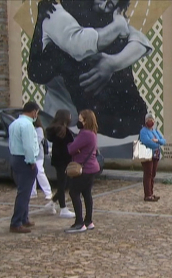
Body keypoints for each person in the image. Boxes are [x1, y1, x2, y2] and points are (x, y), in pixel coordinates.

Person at [28, 0, 152, 138]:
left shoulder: (97, 16)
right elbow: (79, 45)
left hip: (99, 122)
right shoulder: (54, 11)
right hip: (62, 119)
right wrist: (117, 27)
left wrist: (113, 63)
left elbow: (140, 41)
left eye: (110, 4)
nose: (103, 5)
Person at [65, 109, 100, 233]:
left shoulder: (85, 134)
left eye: (80, 119)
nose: (78, 121)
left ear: (85, 121)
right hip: (92, 167)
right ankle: (88, 221)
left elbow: (71, 148)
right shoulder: (93, 133)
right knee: (86, 193)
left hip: (84, 169)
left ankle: (79, 222)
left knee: (74, 192)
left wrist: (72, 146)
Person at [9, 102, 40, 233]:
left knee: (24, 191)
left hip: (15, 157)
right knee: (24, 192)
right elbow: (28, 146)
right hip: (25, 160)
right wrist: (31, 161)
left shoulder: (14, 123)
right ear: (34, 112)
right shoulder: (27, 125)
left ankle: (23, 218)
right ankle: (16, 222)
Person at [45, 109, 75, 217]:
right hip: (64, 160)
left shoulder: (53, 129)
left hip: (58, 159)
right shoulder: (64, 131)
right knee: (62, 184)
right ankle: (63, 208)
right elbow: (71, 146)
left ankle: (53, 202)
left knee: (63, 183)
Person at [140, 113, 166, 201]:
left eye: (152, 119)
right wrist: (156, 143)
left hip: (155, 155)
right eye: (149, 119)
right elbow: (146, 141)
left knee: (153, 174)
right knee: (148, 174)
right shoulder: (143, 131)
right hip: (147, 155)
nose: (151, 121)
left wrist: (157, 140)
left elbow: (163, 141)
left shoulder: (154, 131)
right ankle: (147, 195)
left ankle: (151, 192)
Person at [30, 117, 53, 200]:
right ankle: (32, 192)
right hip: (30, 154)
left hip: (38, 155)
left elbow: (37, 141)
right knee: (31, 173)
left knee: (39, 171)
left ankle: (48, 192)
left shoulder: (39, 129)